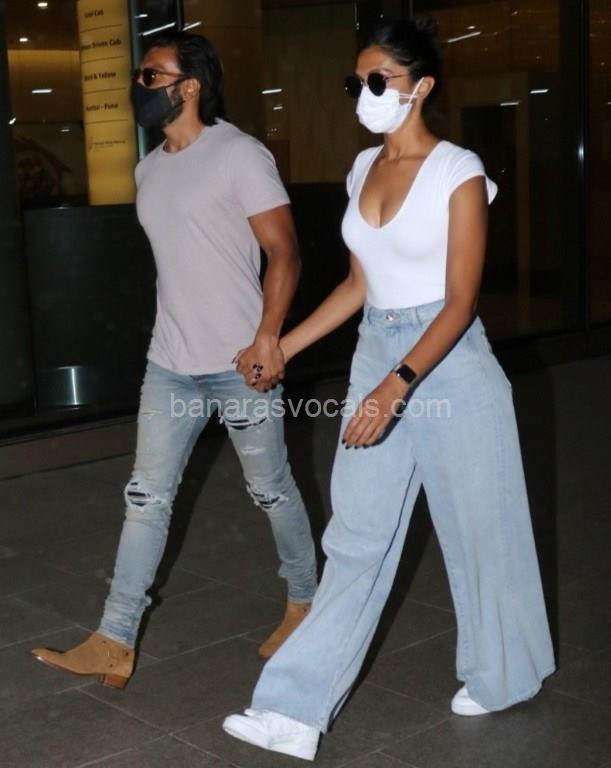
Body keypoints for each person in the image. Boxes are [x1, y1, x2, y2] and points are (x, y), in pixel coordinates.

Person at [223, 16, 556, 762]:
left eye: (380, 80)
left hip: (448, 363)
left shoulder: (457, 170)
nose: (365, 93)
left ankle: (505, 676)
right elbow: (358, 284)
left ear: (422, 86)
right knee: (356, 534)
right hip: (376, 349)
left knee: (481, 533)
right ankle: (292, 711)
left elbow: (460, 301)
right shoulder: (360, 168)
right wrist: (280, 346)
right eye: (357, 81)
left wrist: (397, 385)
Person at [31, 31, 317, 688]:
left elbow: (285, 253)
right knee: (145, 498)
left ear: (190, 86)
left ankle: (306, 601)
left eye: (152, 76)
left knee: (270, 490)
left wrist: (269, 338)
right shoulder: (148, 168)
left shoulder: (240, 154)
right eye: (141, 75)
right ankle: (115, 638)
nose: (140, 87)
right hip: (170, 362)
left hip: (240, 362)